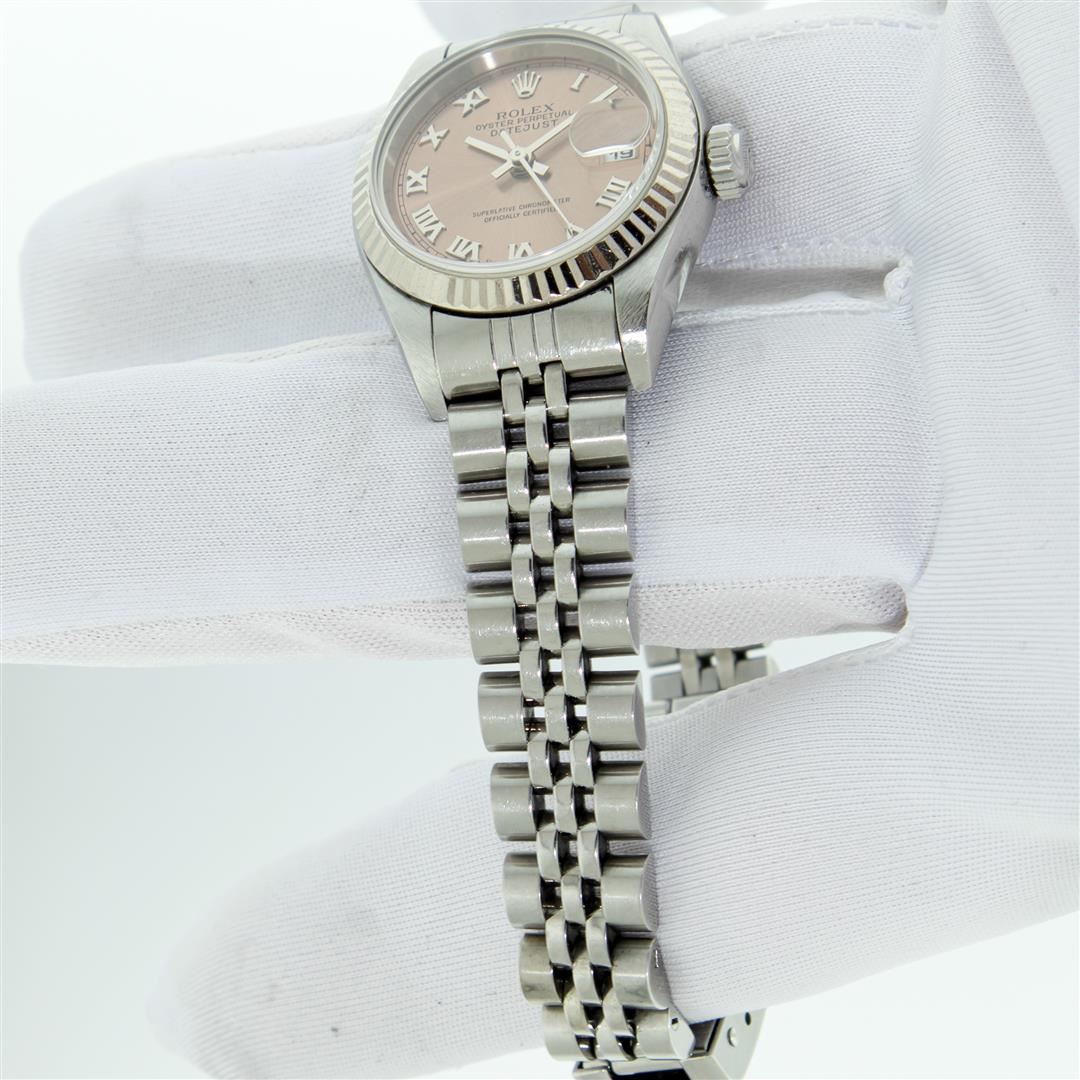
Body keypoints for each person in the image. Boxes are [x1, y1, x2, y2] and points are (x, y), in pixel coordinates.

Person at [3, 1, 1075, 1076]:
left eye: (532, 151)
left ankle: (610, 965)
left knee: (610, 562)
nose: (518, 159)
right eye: (502, 153)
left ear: (714, 161)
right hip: (469, 306)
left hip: (605, 296)